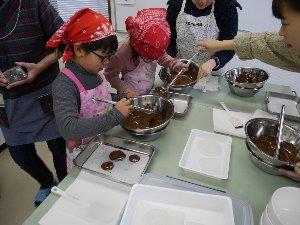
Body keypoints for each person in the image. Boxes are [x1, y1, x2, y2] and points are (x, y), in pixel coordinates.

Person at [198, 0, 300, 181]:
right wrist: (218, 45)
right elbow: (265, 43)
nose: (280, 33)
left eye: (285, 23)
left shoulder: (226, 7)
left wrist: (216, 55)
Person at [0, 0, 67, 206]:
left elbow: (64, 42)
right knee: (20, 154)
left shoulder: (34, 3)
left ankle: (65, 184)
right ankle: (47, 182)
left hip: (46, 90)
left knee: (59, 147)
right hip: (10, 101)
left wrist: (39, 66)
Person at [47, 8, 132, 172]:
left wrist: (119, 99)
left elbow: (98, 102)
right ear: (79, 49)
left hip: (103, 141)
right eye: (103, 57)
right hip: (83, 153)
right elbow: (68, 128)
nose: (106, 63)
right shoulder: (65, 84)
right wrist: (116, 115)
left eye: (110, 57)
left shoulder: (95, 70)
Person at [103, 8, 187, 98]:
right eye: (149, 57)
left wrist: (173, 63)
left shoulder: (155, 44)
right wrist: (126, 90)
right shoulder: (119, 54)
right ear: (138, 47)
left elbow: (161, 56)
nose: (153, 59)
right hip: (130, 92)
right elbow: (111, 76)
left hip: (148, 86)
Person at [166, 0, 242, 79]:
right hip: (179, 69)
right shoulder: (176, 4)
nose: (202, 2)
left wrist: (213, 62)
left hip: (212, 71)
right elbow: (169, 40)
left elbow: (230, 47)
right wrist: (170, 60)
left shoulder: (226, 7)